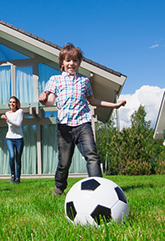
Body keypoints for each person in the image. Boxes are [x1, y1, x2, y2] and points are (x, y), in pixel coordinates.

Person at [39, 43, 127, 196]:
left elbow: (93, 101)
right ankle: (59, 188)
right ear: (62, 63)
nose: (71, 64)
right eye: (68, 60)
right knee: (64, 162)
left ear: (79, 63)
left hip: (83, 124)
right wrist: (43, 100)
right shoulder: (55, 80)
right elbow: (51, 101)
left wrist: (115, 105)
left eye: (75, 61)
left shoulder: (84, 81)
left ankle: (100, 189)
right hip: (64, 127)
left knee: (92, 155)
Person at [1, 96, 24, 184]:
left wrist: (8, 119)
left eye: (14, 102)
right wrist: (8, 118)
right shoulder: (7, 113)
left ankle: (18, 177)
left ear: (17, 103)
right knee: (12, 156)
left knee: (18, 159)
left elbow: (18, 124)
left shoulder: (20, 112)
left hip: (19, 138)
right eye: (10, 102)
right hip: (9, 138)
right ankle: (12, 176)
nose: (12, 104)